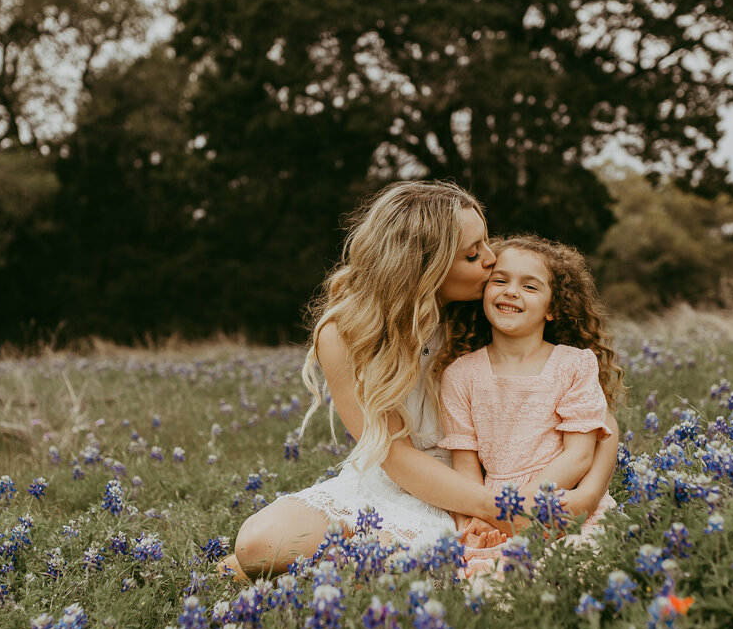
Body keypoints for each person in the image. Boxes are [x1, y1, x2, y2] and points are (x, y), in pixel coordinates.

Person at [218, 181, 618, 578]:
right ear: (427, 264)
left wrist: (588, 493)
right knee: (259, 542)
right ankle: (366, 565)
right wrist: (497, 512)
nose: (492, 260)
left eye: (487, 243)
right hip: (404, 483)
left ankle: (357, 569)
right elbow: (395, 456)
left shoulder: (490, 312)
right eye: (473, 253)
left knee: (422, 568)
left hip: (490, 478)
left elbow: (595, 417)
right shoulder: (345, 334)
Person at [435, 235, 626, 574]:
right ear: (484, 292)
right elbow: (464, 465)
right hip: (493, 508)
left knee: (579, 568)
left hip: (559, 498)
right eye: (500, 280)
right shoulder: (460, 374)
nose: (511, 291)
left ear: (553, 308)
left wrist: (523, 504)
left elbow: (579, 454)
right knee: (491, 582)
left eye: (530, 286)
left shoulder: (574, 365)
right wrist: (476, 519)